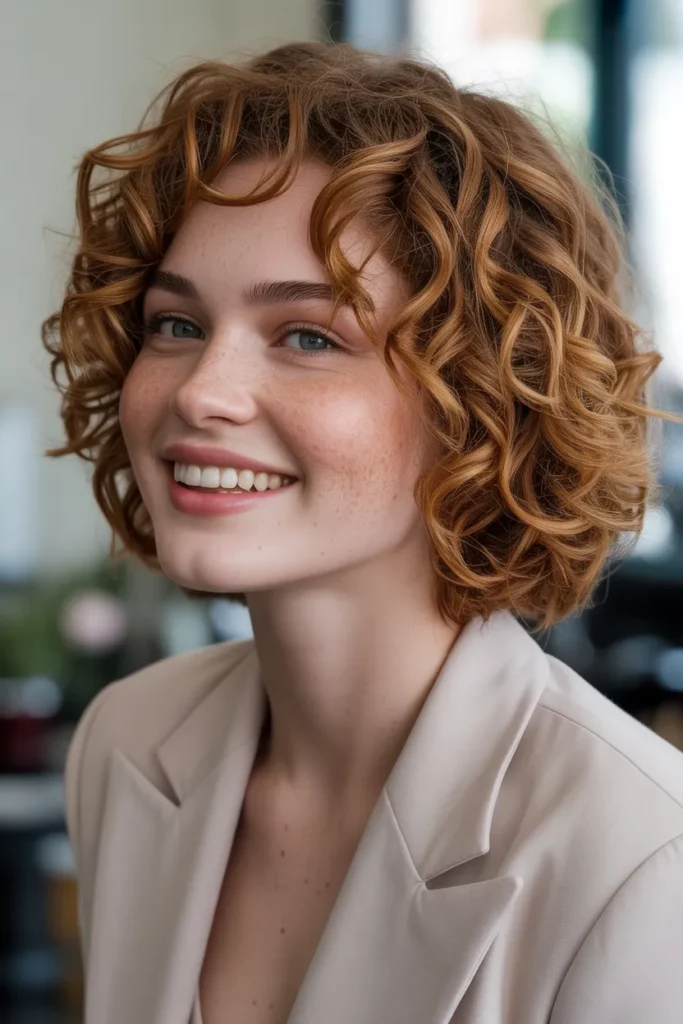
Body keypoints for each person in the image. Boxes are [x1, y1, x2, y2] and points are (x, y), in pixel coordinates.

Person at [43, 41, 683, 1024]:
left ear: (477, 400)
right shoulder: (125, 744)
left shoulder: (640, 858)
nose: (201, 392)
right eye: (174, 324)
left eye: (307, 336)